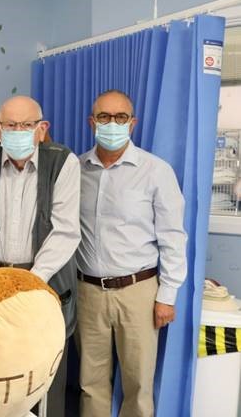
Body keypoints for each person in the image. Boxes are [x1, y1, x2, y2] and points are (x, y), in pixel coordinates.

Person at [0, 96, 81, 417]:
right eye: (11, 125)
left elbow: (66, 230)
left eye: (26, 125)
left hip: (46, 281)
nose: (18, 131)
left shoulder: (63, 162)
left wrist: (31, 282)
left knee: (45, 372)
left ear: (42, 130)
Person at [77, 90, 187, 417]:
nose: (112, 124)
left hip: (138, 291)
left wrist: (167, 295)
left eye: (120, 117)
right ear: (91, 122)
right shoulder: (76, 169)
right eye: (104, 117)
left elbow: (173, 236)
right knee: (90, 382)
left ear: (133, 123)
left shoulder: (156, 171)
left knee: (138, 384)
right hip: (88, 291)